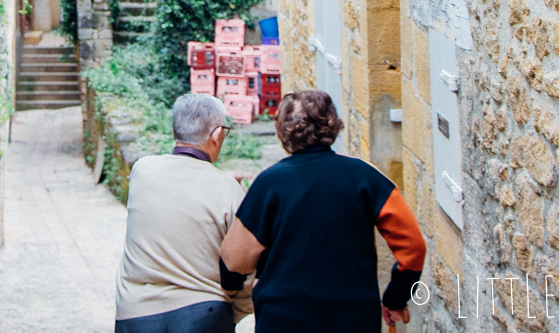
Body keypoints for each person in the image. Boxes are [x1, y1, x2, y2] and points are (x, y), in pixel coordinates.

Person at [219, 89, 426, 332]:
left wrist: (232, 286)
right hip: (354, 319)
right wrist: (395, 298)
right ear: (332, 126)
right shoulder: (366, 178)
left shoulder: (269, 184)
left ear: (282, 131)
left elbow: (234, 261)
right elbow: (413, 247)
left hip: (285, 319)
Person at [115, 93, 253, 333]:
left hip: (136, 314)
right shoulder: (228, 188)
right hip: (205, 314)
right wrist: (230, 314)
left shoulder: (142, 171)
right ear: (217, 135)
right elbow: (244, 267)